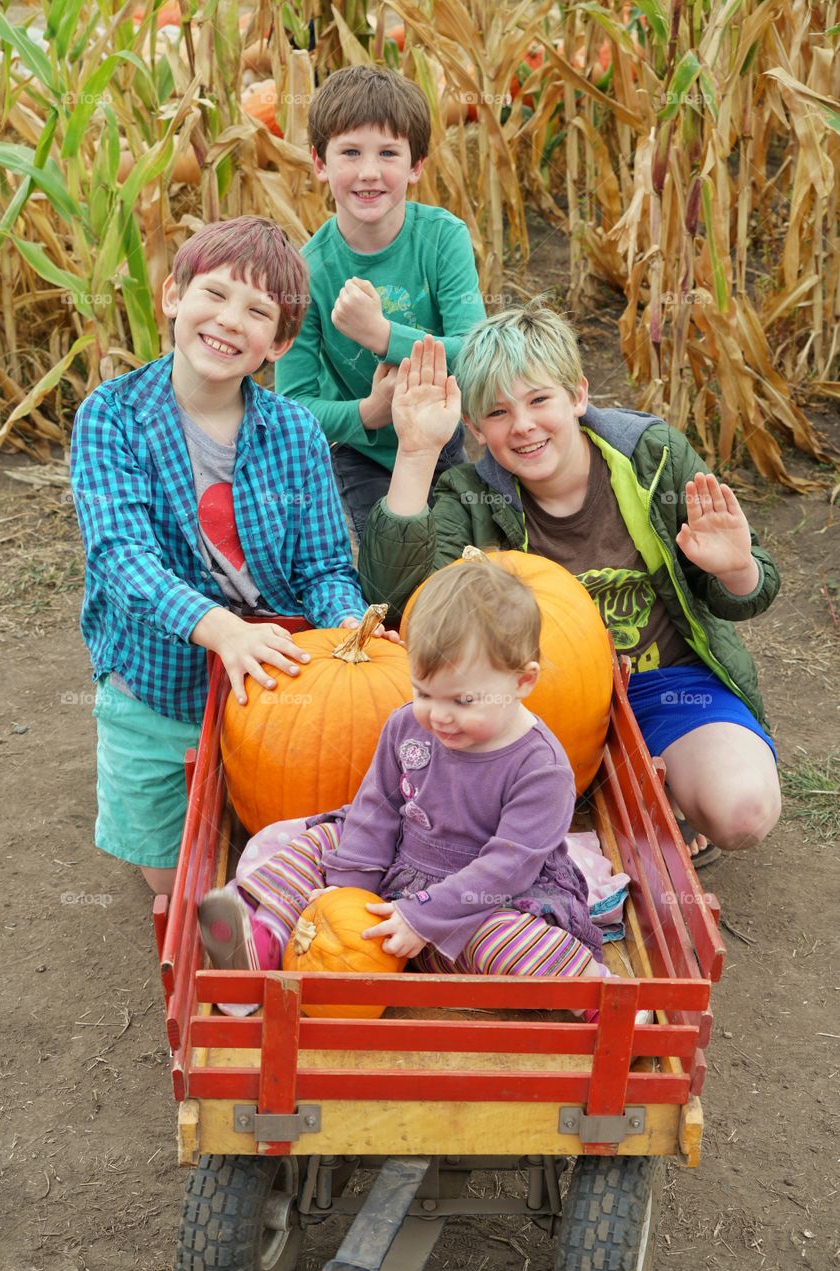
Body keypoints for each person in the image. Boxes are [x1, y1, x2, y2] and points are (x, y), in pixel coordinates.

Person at [356, 313, 783, 864]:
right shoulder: (467, 497)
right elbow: (397, 604)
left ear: (578, 394)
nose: (523, 426)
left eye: (539, 400)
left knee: (743, 812)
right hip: (535, 704)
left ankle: (659, 782)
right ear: (477, 430)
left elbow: (745, 591)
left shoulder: (653, 458)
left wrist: (735, 568)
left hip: (665, 684)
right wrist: (415, 453)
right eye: (498, 412)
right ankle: (607, 796)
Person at [199, 560, 653, 1024]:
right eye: (424, 692)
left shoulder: (541, 767)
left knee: (511, 943)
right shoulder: (406, 726)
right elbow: (377, 808)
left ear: (523, 681)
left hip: (481, 905)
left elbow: (507, 867)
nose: (438, 716)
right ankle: (261, 942)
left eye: (462, 700)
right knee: (321, 843)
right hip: (397, 871)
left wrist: (425, 916)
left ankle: (599, 996)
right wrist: (347, 899)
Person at [71, 215, 377, 898]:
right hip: (155, 684)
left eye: (258, 310)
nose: (230, 320)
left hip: (275, 680)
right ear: (172, 297)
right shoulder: (111, 416)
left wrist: (348, 637)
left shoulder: (293, 430)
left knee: (289, 847)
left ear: (280, 341)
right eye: (214, 294)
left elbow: (324, 567)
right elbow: (123, 558)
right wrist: (222, 630)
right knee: (173, 880)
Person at [274, 65, 486, 540]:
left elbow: (479, 352)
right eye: (350, 152)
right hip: (364, 455)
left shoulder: (441, 238)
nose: (369, 172)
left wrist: (381, 336)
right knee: (392, 569)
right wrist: (371, 410)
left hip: (441, 436)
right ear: (319, 162)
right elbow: (294, 405)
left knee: (459, 561)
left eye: (388, 153)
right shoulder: (305, 274)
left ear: (415, 166)